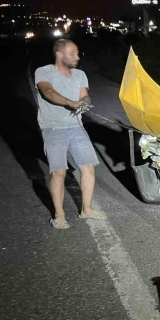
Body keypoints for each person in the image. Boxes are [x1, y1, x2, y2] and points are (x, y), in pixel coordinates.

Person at [35, 38, 106, 229]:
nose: (77, 56)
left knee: (88, 167)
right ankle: (59, 215)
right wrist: (70, 102)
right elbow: (48, 91)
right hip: (53, 127)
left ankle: (87, 210)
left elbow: (84, 94)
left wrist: (85, 100)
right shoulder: (43, 71)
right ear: (59, 54)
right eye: (72, 53)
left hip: (76, 126)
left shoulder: (80, 74)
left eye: (77, 53)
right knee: (59, 172)